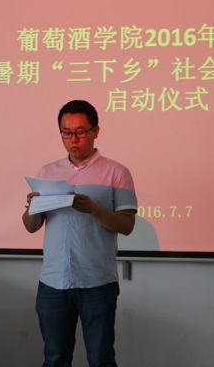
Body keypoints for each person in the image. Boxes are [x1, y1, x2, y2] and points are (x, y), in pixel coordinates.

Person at [22, 100, 137, 367]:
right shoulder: (47, 173)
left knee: (100, 359)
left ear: (96, 131)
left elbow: (127, 225)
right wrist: (33, 206)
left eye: (81, 132)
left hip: (97, 281)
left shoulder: (116, 172)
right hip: (53, 282)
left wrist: (93, 209)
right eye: (66, 132)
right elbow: (31, 226)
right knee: (55, 358)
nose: (73, 139)